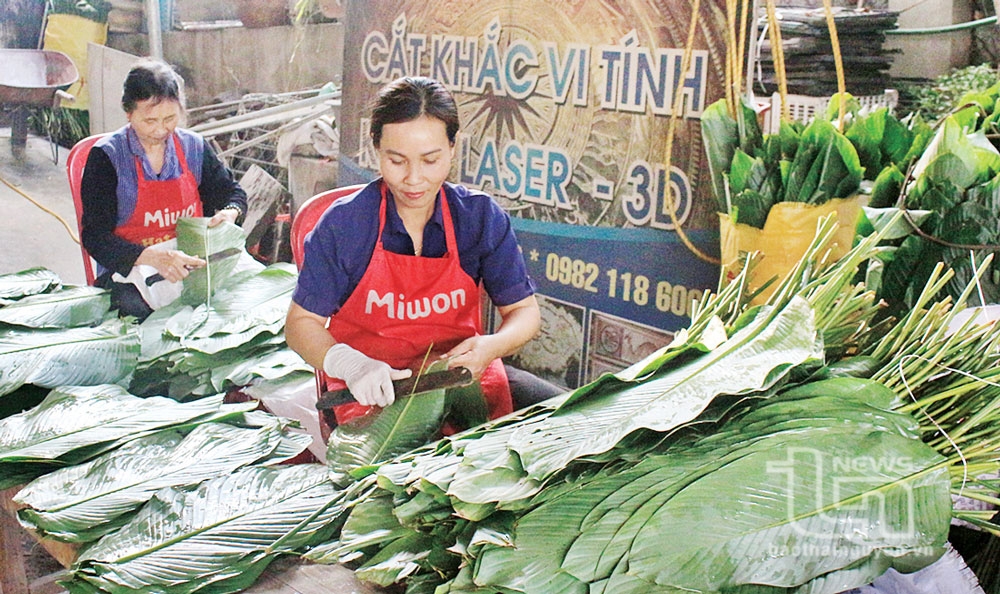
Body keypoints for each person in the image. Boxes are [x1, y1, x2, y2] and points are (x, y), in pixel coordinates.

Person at [286, 76, 561, 429]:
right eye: (397, 160)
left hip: (459, 380)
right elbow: (300, 324)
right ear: (376, 150)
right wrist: (351, 365)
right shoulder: (345, 224)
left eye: (430, 160)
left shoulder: (478, 218)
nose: (414, 179)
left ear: (453, 147)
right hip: (374, 390)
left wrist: (491, 346)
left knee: (571, 417)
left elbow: (524, 312)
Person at [80, 59, 248, 320]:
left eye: (170, 118)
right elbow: (95, 237)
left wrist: (230, 212)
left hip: (192, 263)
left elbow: (232, 193)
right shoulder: (107, 158)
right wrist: (154, 258)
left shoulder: (194, 147)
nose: (161, 130)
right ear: (128, 112)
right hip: (131, 272)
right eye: (149, 120)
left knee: (242, 299)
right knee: (134, 313)